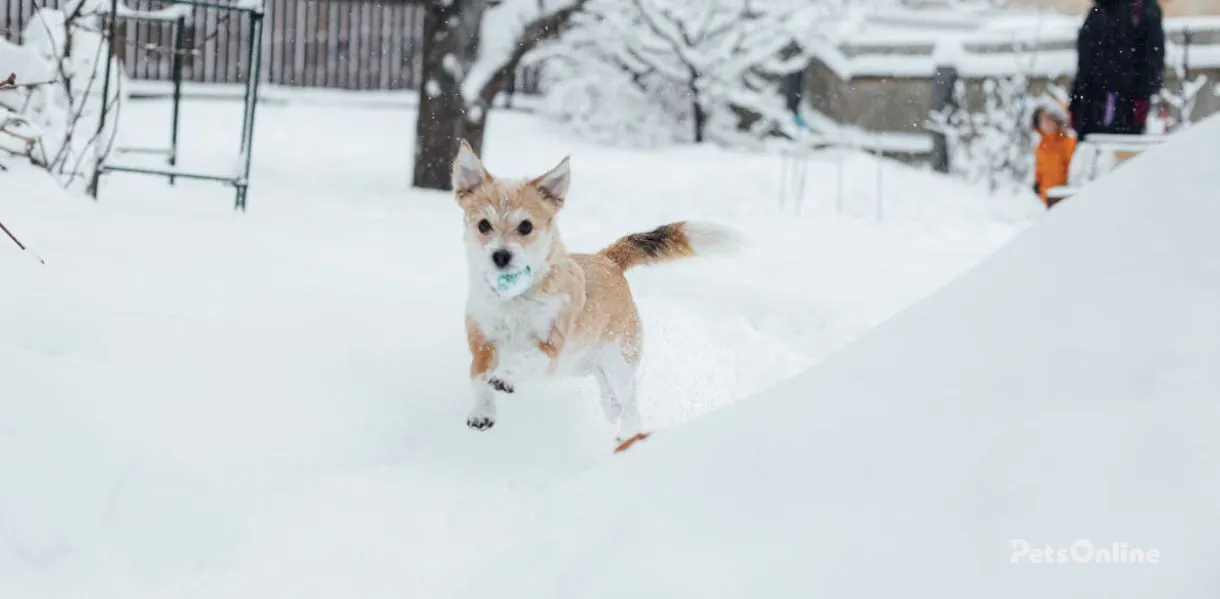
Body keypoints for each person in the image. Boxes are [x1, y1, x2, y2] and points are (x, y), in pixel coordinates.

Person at [1069, 0, 1165, 138]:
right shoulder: (1099, 10)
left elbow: (1152, 60)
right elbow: (1085, 63)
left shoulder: (1141, 9)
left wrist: (1142, 96)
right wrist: (1076, 102)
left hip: (1124, 101)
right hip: (1092, 101)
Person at [1032, 101, 1078, 208]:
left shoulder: (1067, 142)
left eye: (1049, 120)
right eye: (1043, 120)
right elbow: (1040, 168)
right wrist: (1037, 183)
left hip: (1063, 195)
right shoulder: (1042, 144)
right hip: (1047, 196)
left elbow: (1073, 167)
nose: (1046, 123)